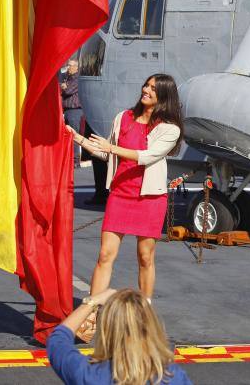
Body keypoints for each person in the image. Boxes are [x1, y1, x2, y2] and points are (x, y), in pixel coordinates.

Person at [69, 74, 183, 338]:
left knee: (145, 257)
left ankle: (144, 315)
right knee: (105, 256)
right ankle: (90, 316)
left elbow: (146, 157)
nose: (146, 90)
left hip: (150, 198)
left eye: (153, 89)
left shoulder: (170, 128)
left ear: (164, 96)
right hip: (121, 194)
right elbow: (107, 155)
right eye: (146, 85)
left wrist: (111, 148)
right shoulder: (123, 118)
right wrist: (80, 140)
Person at [47, 288, 191, 385]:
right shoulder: (171, 376)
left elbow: (58, 339)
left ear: (107, 329)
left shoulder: (89, 374)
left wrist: (92, 301)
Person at [61, 59, 83, 167]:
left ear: (76, 67)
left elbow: (68, 90)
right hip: (68, 110)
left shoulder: (77, 78)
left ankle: (75, 161)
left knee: (74, 135)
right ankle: (70, 159)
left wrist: (64, 86)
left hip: (75, 111)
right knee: (68, 136)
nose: (68, 67)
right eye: (68, 65)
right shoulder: (68, 78)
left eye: (70, 65)